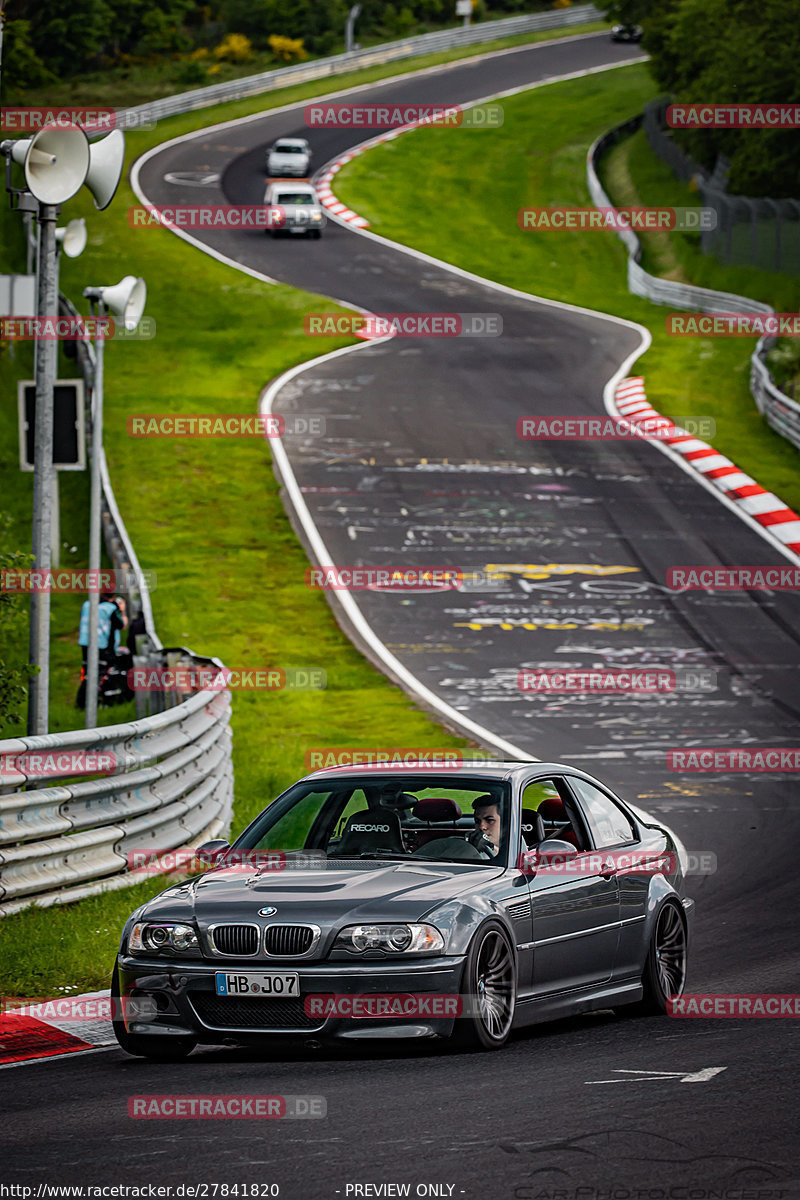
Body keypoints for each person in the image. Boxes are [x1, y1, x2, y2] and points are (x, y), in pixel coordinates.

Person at [76, 590, 128, 708]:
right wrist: (122, 610)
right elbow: (122, 625)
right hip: (102, 646)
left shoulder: (87, 604)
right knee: (100, 674)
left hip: (85, 643)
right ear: (114, 595)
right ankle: (92, 701)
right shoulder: (110, 608)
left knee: (87, 672)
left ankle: (82, 702)